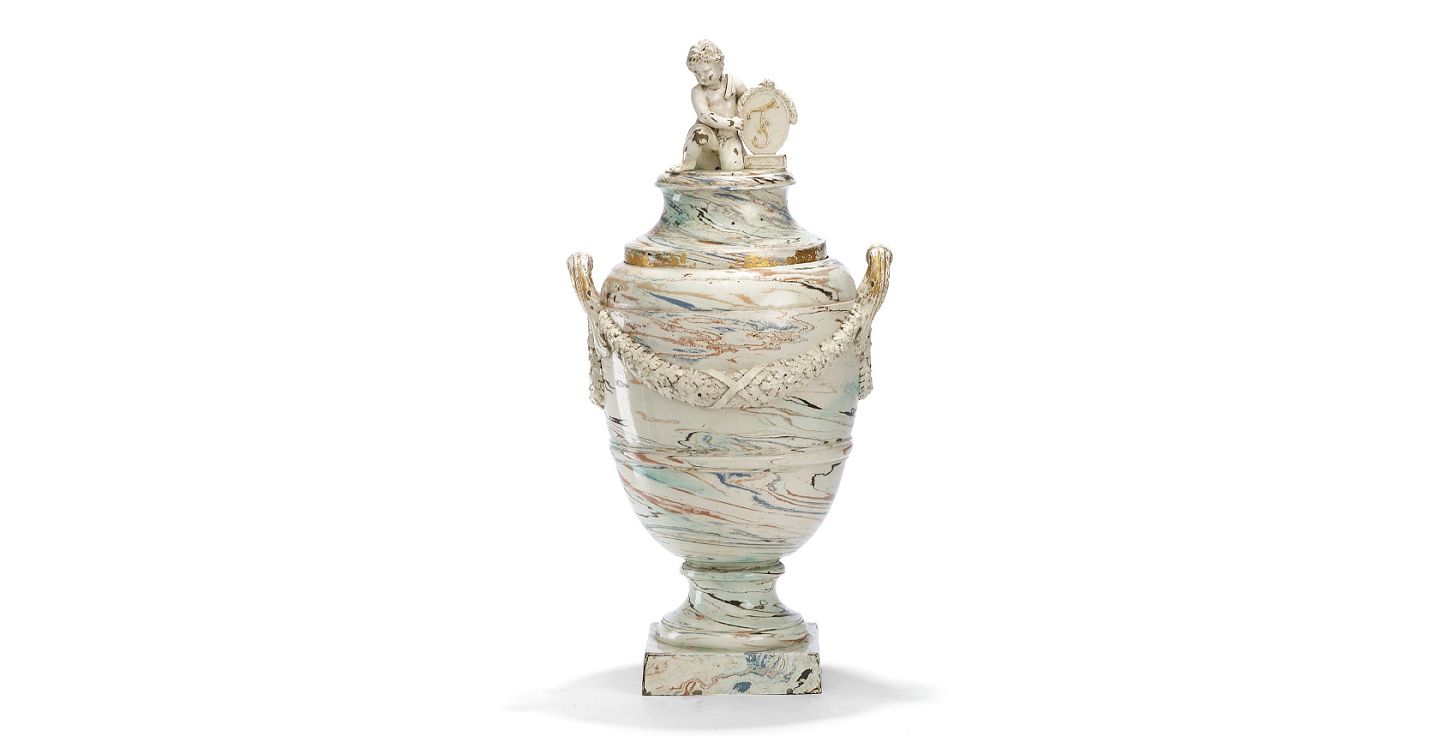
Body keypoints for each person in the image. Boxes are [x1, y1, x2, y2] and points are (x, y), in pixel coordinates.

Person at [673, 40, 748, 172]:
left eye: (707, 71)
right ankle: (687, 163)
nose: (702, 77)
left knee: (734, 169)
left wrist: (762, 92)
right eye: (696, 73)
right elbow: (705, 116)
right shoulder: (698, 92)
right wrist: (731, 123)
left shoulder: (735, 84)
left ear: (720, 64)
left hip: (729, 137)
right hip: (708, 136)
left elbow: (749, 102)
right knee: (697, 133)